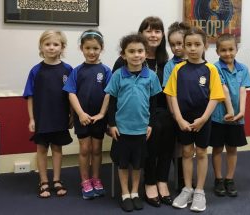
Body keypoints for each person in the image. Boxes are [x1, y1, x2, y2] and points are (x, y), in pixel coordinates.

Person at [113, 16, 175, 207]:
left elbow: (167, 93)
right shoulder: (124, 61)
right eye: (148, 30)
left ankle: (162, 180)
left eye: (157, 31)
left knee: (169, 125)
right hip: (137, 114)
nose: (153, 35)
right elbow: (114, 94)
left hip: (162, 109)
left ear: (162, 35)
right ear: (141, 34)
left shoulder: (166, 61)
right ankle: (149, 182)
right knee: (153, 128)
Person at [164, 26, 225, 212]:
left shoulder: (211, 69)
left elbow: (215, 96)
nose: (192, 48)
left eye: (197, 44)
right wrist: (179, 119)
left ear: (205, 45)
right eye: (188, 44)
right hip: (184, 120)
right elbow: (172, 95)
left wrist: (204, 118)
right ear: (183, 46)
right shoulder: (178, 69)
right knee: (186, 152)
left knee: (201, 152)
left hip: (203, 120)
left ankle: (199, 191)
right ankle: (187, 188)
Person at [105, 33, 162, 212]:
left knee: (137, 164)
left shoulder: (151, 76)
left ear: (145, 53)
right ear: (124, 55)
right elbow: (111, 102)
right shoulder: (117, 75)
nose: (136, 55)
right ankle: (125, 193)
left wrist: (150, 124)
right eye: (131, 51)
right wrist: (112, 124)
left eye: (140, 51)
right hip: (121, 130)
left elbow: (154, 104)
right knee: (123, 163)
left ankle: (135, 192)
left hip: (141, 130)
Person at [23, 30, 73, 198]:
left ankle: (57, 180)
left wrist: (72, 115)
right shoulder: (36, 71)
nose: (51, 48)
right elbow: (30, 96)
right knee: (42, 148)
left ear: (62, 47)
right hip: (42, 117)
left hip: (60, 117)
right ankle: (44, 181)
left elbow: (72, 95)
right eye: (47, 44)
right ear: (41, 47)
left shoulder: (68, 70)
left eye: (55, 44)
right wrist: (31, 118)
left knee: (57, 148)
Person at [63, 29, 112, 200]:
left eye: (95, 48)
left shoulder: (106, 71)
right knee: (85, 149)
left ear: (101, 49)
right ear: (81, 49)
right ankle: (85, 181)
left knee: (97, 149)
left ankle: (96, 179)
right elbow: (71, 93)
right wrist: (81, 114)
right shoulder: (77, 71)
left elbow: (109, 93)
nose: (92, 52)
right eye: (88, 48)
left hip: (98, 118)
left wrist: (101, 114)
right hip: (82, 117)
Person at [209, 33, 250, 197]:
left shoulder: (243, 69)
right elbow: (223, 89)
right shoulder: (215, 68)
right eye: (223, 50)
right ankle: (218, 179)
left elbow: (243, 90)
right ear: (217, 51)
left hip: (237, 117)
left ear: (237, 49)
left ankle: (229, 178)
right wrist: (229, 111)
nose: (227, 53)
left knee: (232, 148)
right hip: (219, 116)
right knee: (218, 148)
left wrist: (240, 112)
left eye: (231, 49)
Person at [163, 21, 190, 192]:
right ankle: (180, 179)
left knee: (189, 149)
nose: (176, 48)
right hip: (176, 114)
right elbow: (168, 92)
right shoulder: (170, 66)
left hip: (193, 113)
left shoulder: (198, 63)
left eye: (179, 43)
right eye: (172, 45)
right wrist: (173, 114)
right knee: (178, 147)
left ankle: (188, 177)